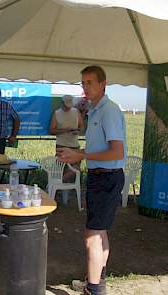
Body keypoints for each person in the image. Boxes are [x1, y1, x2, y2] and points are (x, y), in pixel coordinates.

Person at [56, 66, 126, 295]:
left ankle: (93, 289)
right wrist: (75, 153)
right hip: (100, 177)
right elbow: (99, 148)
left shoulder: (109, 111)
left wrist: (82, 155)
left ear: (103, 84)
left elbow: (117, 152)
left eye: (90, 82)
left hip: (107, 178)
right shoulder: (95, 110)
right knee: (99, 233)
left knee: (92, 236)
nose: (85, 87)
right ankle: (96, 283)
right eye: (83, 83)